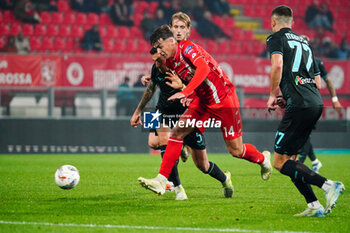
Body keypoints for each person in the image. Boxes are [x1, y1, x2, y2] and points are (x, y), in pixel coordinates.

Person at [138, 24, 272, 197]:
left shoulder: (188, 48)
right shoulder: (169, 60)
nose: (159, 51)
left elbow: (204, 69)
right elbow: (158, 69)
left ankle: (263, 159)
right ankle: (162, 180)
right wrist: (151, 77)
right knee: (176, 133)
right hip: (201, 102)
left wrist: (185, 91)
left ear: (171, 41)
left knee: (236, 151)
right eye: (156, 48)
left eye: (160, 46)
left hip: (224, 100)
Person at [135, 12, 235, 199]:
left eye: (182, 27)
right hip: (162, 109)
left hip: (186, 109)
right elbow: (152, 83)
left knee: (202, 165)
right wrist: (138, 109)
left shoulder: (188, 54)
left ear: (187, 31)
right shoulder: (161, 55)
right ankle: (176, 187)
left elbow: (198, 77)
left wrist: (184, 88)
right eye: (176, 27)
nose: (178, 31)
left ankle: (224, 178)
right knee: (154, 141)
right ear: (170, 30)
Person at [266, 5, 344, 217]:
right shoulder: (305, 43)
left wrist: (273, 94)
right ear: (292, 22)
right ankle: (314, 205)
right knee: (291, 160)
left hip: (300, 105)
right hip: (315, 103)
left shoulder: (275, 38)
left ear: (273, 22)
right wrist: (288, 96)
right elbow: (317, 83)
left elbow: (277, 65)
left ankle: (328, 185)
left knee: (279, 162)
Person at [297, 35, 342, 173]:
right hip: (300, 104)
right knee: (303, 133)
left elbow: (326, 82)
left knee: (304, 133)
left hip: (311, 104)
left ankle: (299, 164)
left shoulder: (316, 62)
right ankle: (315, 162)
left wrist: (334, 100)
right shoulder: (296, 63)